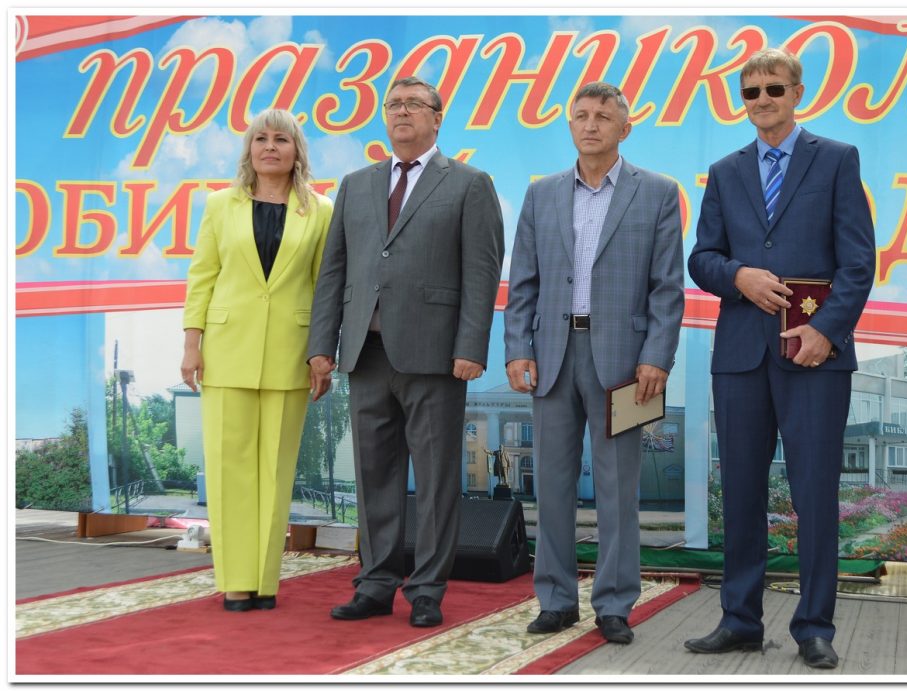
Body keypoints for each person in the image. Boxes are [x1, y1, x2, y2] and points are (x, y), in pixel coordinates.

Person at [685, 48, 875, 668]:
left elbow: (858, 262)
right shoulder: (725, 171)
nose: (762, 99)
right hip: (741, 356)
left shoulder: (837, 159)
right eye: (751, 91)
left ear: (798, 93)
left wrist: (827, 331)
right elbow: (702, 258)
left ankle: (814, 627)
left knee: (814, 494)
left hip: (815, 356)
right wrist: (737, 276)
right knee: (741, 492)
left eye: (774, 88)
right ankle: (740, 620)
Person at [307, 76, 504, 628]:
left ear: (437, 118)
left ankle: (427, 590)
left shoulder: (469, 183)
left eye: (414, 104)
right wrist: (321, 344)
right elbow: (333, 270)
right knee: (374, 475)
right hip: (365, 353)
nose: (401, 112)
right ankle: (374, 584)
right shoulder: (356, 184)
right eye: (393, 104)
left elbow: (482, 272)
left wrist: (471, 345)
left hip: (436, 356)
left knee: (436, 479)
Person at [504, 81, 685, 645]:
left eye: (603, 117)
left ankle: (614, 604)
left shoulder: (657, 193)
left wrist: (656, 357)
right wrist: (518, 348)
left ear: (624, 128)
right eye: (580, 115)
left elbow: (667, 287)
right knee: (552, 486)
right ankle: (556, 600)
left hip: (626, 364)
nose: (590, 125)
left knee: (618, 489)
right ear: (570, 125)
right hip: (552, 355)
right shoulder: (541, 195)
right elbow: (523, 282)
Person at [181, 109, 333, 612]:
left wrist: (322, 353)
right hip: (226, 351)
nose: (270, 147)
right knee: (230, 470)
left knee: (276, 470)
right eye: (261, 138)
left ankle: (265, 581)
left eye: (281, 139)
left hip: (292, 354)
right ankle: (235, 581)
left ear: (296, 151)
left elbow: (325, 286)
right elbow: (202, 276)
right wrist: (192, 343)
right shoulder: (219, 204)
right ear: (249, 149)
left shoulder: (321, 211)